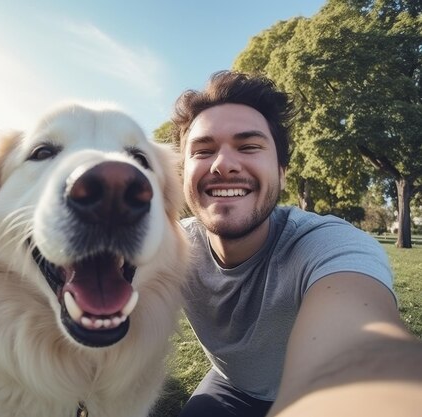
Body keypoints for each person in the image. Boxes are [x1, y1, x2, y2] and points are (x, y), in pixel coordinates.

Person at [172, 70, 422, 417]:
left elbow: (362, 347)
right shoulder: (172, 247)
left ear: (282, 172)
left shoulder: (327, 244)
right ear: (183, 174)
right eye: (203, 150)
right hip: (231, 385)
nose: (224, 164)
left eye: (248, 147)